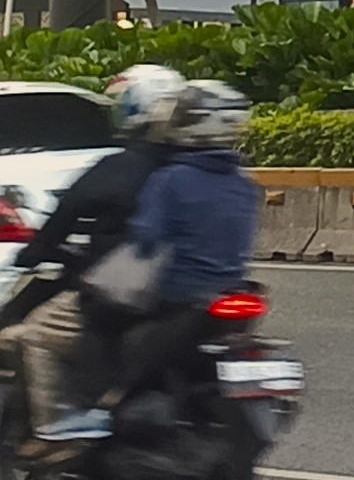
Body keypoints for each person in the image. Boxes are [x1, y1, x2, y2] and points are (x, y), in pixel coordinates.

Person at [13, 64, 189, 459]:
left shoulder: (119, 167)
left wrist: (32, 253)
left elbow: (66, 213)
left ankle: (57, 430)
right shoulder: (196, 169)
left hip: (127, 289)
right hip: (190, 290)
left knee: (35, 335)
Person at [73, 80, 261, 439]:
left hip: (178, 295)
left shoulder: (171, 180)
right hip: (228, 292)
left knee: (97, 316)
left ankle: (98, 409)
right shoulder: (244, 184)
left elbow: (147, 240)